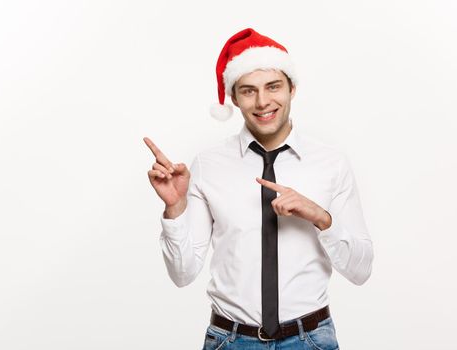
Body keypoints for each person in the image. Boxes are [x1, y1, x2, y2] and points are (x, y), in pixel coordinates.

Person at [144, 28, 374, 349]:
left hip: (311, 340)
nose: (263, 101)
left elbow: (361, 271)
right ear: (234, 98)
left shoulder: (330, 163)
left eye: (273, 86)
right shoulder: (209, 165)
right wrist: (175, 209)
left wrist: (321, 218)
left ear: (292, 88)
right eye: (249, 91)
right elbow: (182, 274)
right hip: (231, 340)